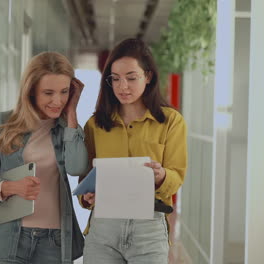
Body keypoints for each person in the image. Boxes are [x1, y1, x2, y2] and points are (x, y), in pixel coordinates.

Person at [0, 52, 88, 264]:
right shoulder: (2, 125)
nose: (57, 101)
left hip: (54, 243)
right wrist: (9, 187)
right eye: (48, 93)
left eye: (64, 92)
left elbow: (77, 167)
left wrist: (71, 114)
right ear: (31, 91)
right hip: (7, 239)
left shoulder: (68, 130)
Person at [80, 38, 187, 264]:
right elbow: (86, 177)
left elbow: (177, 176)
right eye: (115, 79)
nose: (123, 86)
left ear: (148, 77)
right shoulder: (94, 125)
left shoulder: (171, 121)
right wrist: (86, 196)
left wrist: (161, 176)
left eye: (131, 77)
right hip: (103, 228)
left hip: (148, 227)